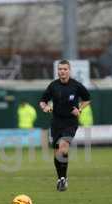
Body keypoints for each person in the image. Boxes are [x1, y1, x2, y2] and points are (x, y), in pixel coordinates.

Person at [39, 60, 91, 191]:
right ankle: (62, 178)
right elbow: (42, 101)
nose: (62, 71)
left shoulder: (76, 85)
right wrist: (44, 107)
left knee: (63, 147)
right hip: (56, 123)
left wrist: (79, 109)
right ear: (58, 71)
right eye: (60, 69)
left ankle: (62, 179)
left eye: (65, 69)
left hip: (70, 122)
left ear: (69, 70)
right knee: (57, 153)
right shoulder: (53, 86)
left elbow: (87, 99)